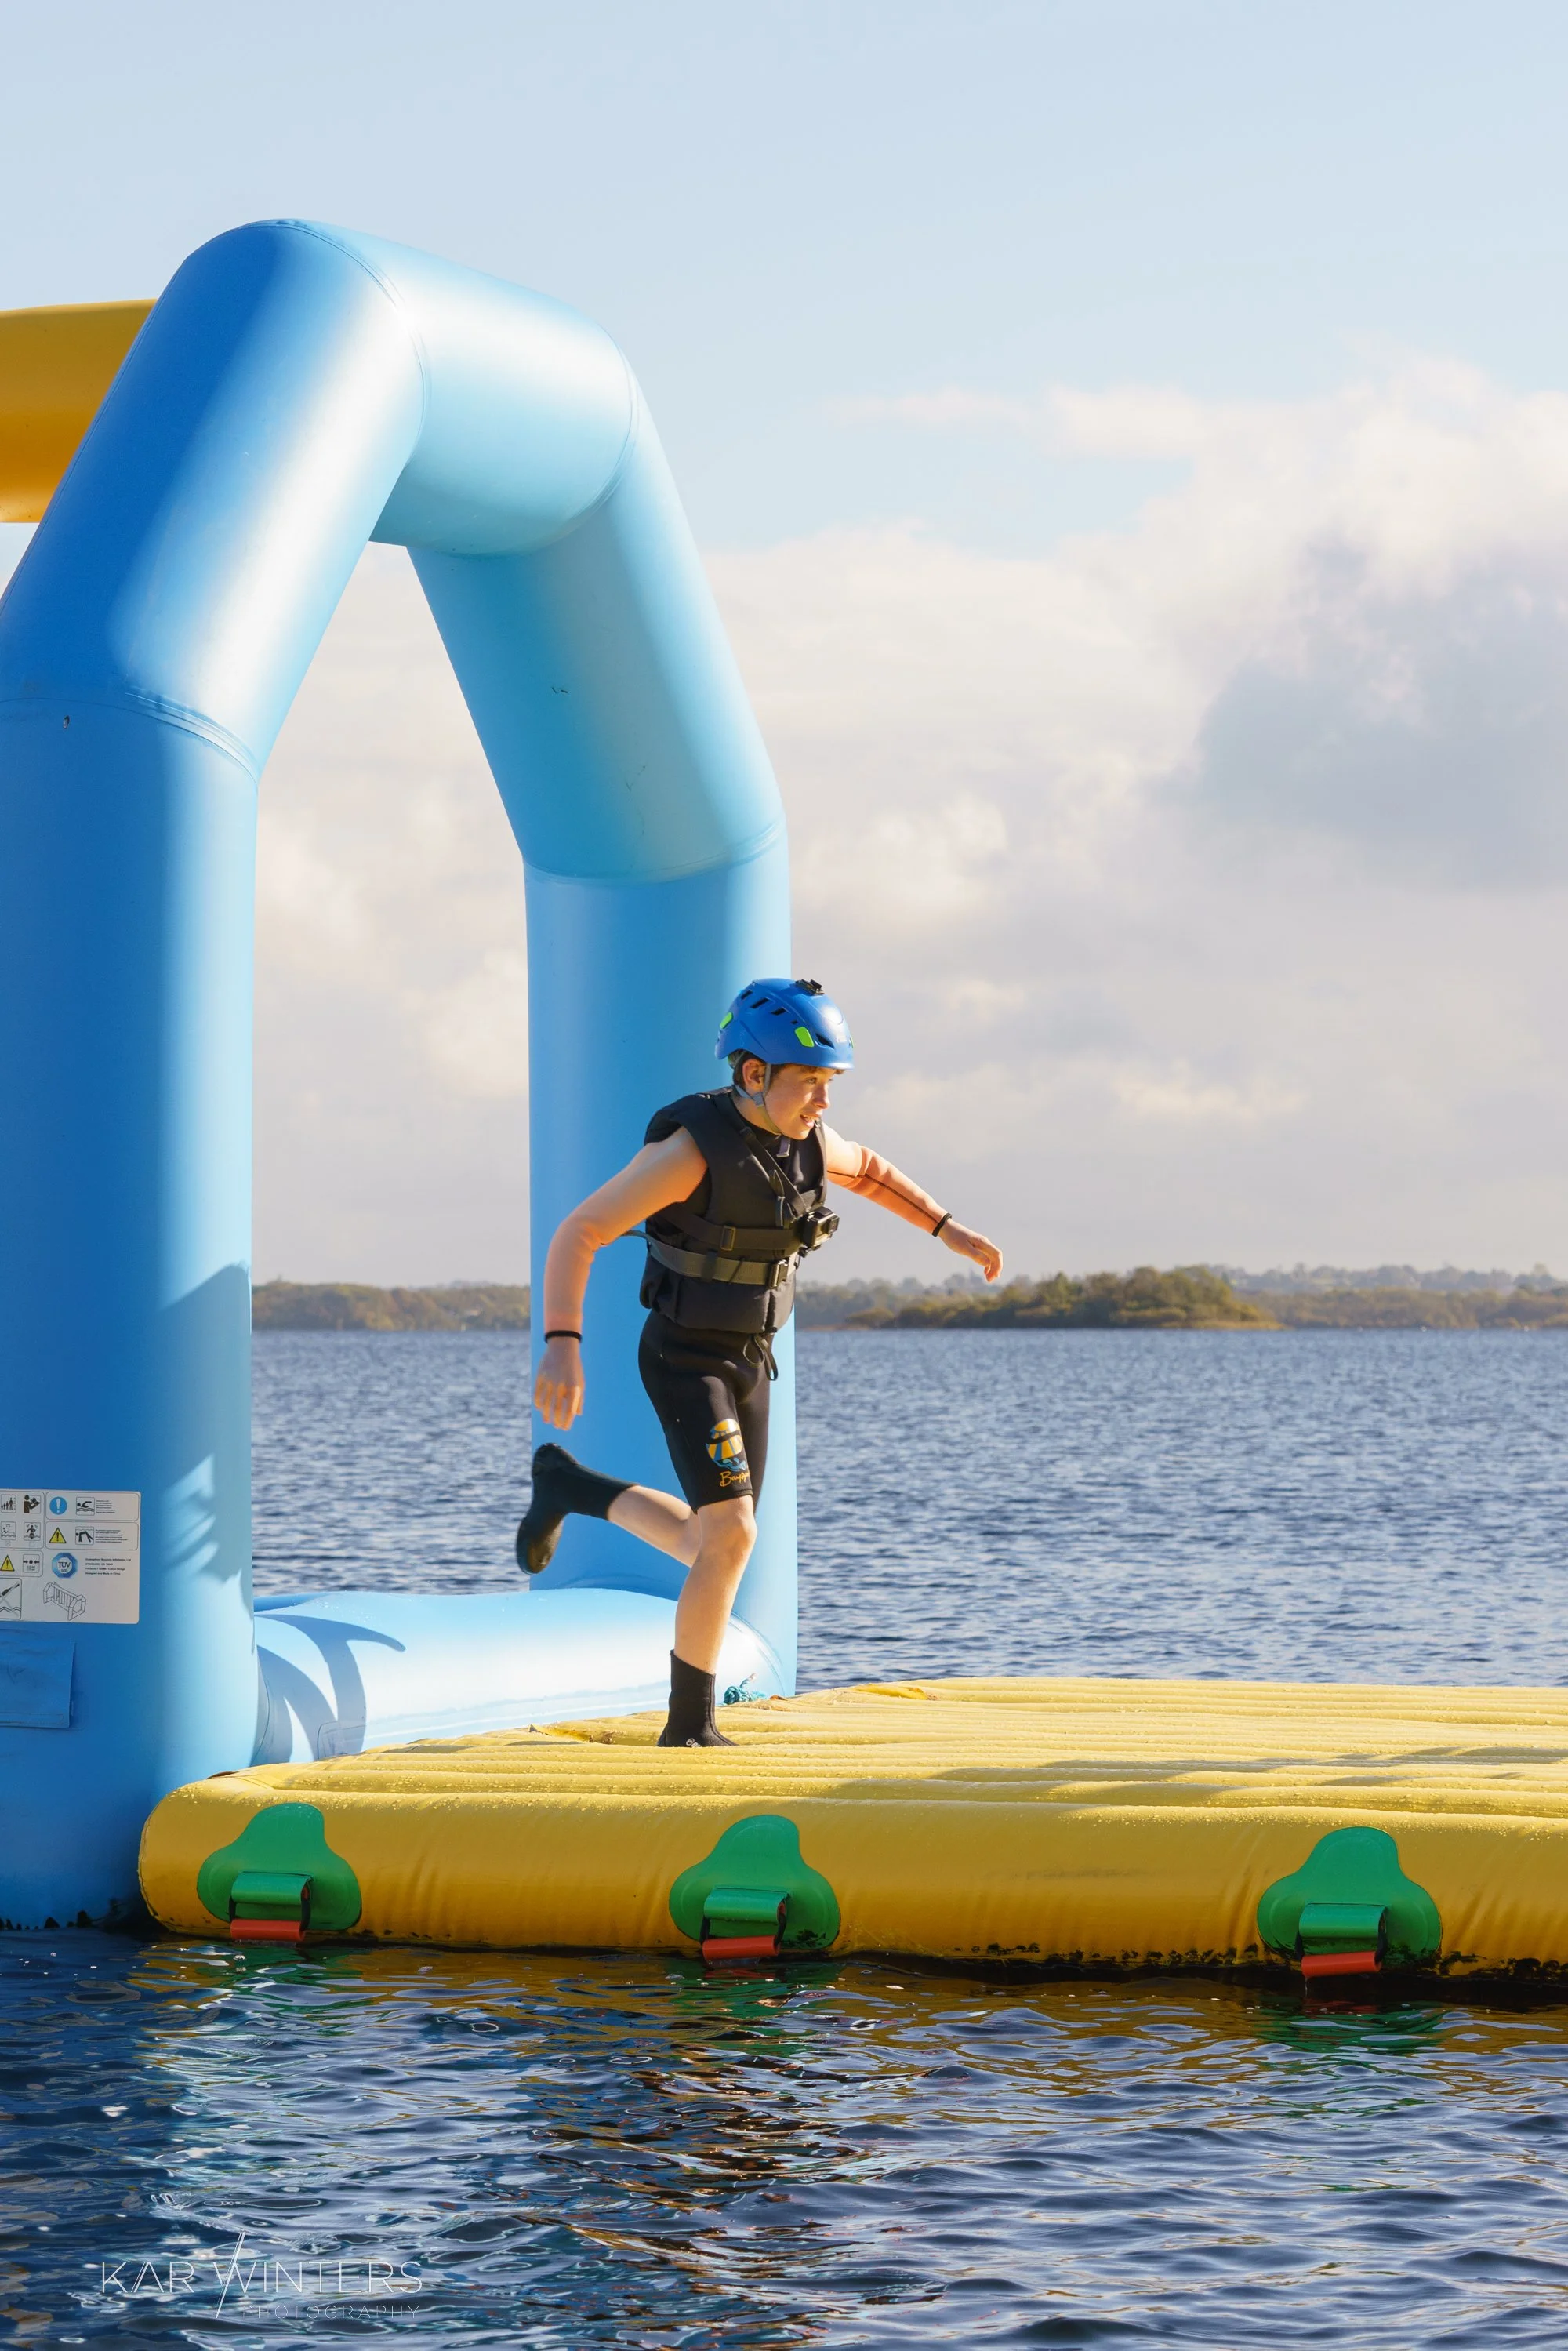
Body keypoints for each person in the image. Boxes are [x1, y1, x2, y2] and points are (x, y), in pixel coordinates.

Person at [517, 977, 1004, 1747]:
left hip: (750, 1360)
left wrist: (949, 1231)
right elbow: (578, 1232)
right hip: (683, 1357)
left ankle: (571, 1486)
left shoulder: (809, 1146)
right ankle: (687, 1725)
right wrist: (562, 1343)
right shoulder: (688, 1154)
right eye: (809, 1082)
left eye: (829, 1084)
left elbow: (870, 1169)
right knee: (734, 1533)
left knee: (715, 1541)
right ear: (753, 1075)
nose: (823, 1102)